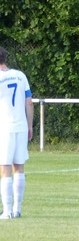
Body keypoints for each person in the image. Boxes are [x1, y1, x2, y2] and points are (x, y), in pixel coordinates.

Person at [0, 48, 33, 219]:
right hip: (20, 126)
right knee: (18, 167)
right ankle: (17, 209)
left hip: (4, 127)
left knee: (4, 168)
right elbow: (29, 102)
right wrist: (30, 126)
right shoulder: (20, 76)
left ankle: (6, 212)